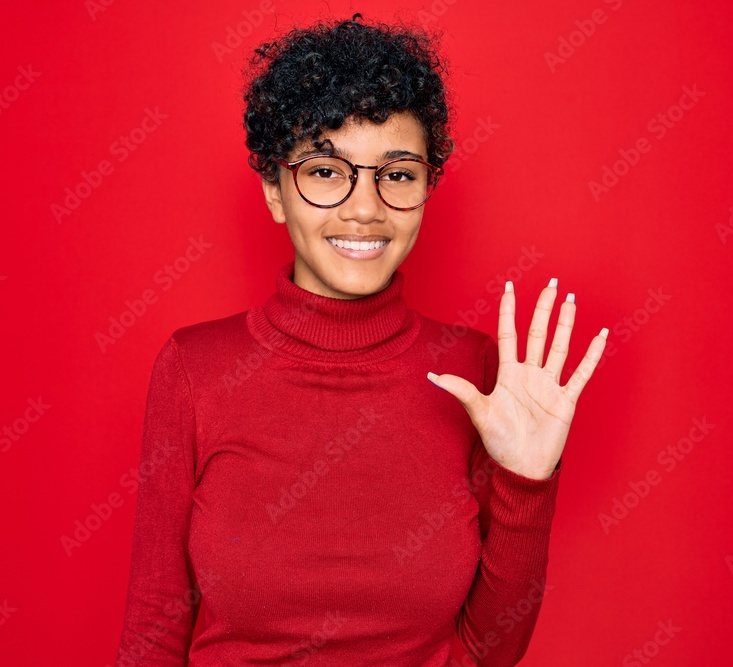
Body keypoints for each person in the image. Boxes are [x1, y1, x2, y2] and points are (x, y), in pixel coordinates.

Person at [115, 13, 608, 667]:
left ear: (426, 189)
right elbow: (153, 632)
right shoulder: (195, 369)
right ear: (275, 192)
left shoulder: (473, 372)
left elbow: (491, 650)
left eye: (397, 174)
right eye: (325, 170)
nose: (365, 208)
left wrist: (528, 484)